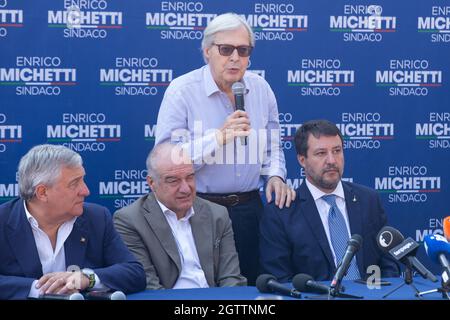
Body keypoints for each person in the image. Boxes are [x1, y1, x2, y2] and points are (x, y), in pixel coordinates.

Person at [155, 12, 295, 285]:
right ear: (207, 51)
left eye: (243, 50)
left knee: (253, 288)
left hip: (250, 209)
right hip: (199, 209)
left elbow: (274, 145)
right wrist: (218, 138)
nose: (235, 58)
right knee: (206, 289)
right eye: (226, 49)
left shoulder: (261, 89)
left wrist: (276, 175)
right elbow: (166, 160)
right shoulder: (182, 91)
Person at [260, 120, 400, 282]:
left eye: (337, 151)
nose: (332, 160)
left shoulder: (368, 200)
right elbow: (280, 277)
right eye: (321, 153)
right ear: (302, 160)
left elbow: (389, 261)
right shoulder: (282, 212)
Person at [0, 144, 146, 300]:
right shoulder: (3, 221)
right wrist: (41, 289)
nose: (86, 191)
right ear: (42, 193)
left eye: (82, 180)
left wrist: (85, 278)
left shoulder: (97, 218)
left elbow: (134, 273)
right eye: (74, 183)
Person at [113, 143, 247, 289]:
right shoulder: (130, 221)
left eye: (189, 177)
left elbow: (231, 278)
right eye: (173, 180)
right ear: (151, 183)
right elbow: (148, 286)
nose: (185, 188)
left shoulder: (217, 215)